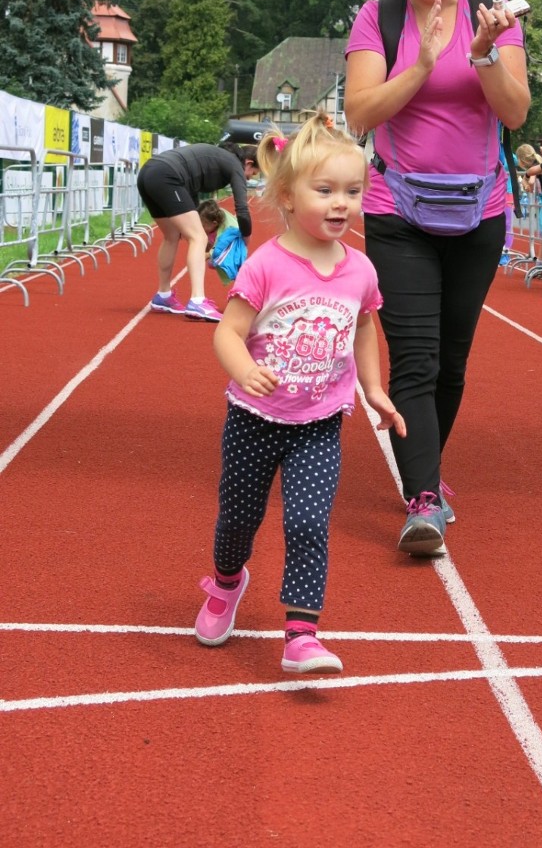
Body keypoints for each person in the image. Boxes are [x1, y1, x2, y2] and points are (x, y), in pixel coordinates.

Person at [344, 0, 529, 556]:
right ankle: (423, 498)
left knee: (452, 361)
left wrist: (481, 52)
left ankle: (423, 467)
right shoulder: (378, 18)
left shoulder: (497, 18)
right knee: (415, 358)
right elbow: (360, 113)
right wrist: (422, 62)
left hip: (480, 210)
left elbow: (514, 114)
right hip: (397, 210)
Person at [193, 115, 406, 674]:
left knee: (309, 524)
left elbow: (364, 327)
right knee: (238, 520)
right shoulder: (267, 265)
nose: (342, 204)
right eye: (326, 190)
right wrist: (243, 370)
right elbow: (226, 330)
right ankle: (225, 583)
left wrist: (375, 388)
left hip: (319, 424)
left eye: (353, 192)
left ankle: (301, 633)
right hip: (255, 420)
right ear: (286, 195)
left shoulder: (359, 269)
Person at [136, 142, 259, 321]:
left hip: (149, 172)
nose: (249, 179)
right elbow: (242, 208)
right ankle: (197, 301)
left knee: (172, 236)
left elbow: (190, 195)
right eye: (252, 173)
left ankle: (163, 295)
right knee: (197, 238)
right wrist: (246, 238)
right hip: (166, 175)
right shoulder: (234, 165)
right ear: (247, 163)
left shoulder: (213, 160)